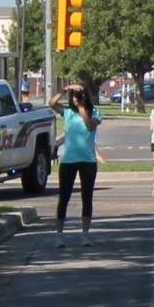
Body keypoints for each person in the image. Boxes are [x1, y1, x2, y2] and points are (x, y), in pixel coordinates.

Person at [54, 84, 103, 235]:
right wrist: (64, 90)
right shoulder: (68, 112)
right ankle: (59, 234)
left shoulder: (95, 112)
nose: (75, 99)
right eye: (73, 96)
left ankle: (85, 234)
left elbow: (89, 126)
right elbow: (52, 104)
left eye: (78, 96)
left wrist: (82, 108)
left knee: (86, 197)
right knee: (64, 197)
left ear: (85, 97)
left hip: (87, 160)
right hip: (69, 160)